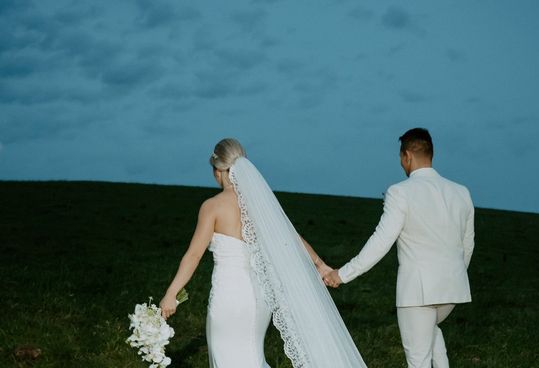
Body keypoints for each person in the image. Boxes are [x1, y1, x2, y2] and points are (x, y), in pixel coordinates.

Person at [160, 138, 368, 368]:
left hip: (228, 299)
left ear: (217, 171)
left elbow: (193, 256)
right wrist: (320, 264)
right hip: (259, 298)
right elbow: (292, 239)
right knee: (252, 358)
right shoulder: (258, 204)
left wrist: (171, 293)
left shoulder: (212, 206)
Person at [324, 128, 474, 368]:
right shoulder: (461, 192)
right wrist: (455, 273)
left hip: (418, 292)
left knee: (418, 361)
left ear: (407, 156)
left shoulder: (400, 192)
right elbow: (467, 244)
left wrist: (342, 274)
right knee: (431, 332)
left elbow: (381, 241)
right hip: (452, 289)